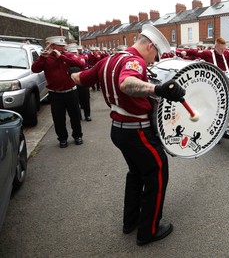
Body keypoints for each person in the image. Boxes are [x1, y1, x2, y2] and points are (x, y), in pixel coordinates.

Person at [71, 25, 185, 246]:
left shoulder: (108, 61)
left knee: (135, 173)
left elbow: (80, 78)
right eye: (155, 54)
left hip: (118, 129)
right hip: (138, 131)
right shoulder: (135, 61)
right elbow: (126, 83)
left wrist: (71, 73)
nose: (153, 61)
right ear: (150, 46)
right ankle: (148, 231)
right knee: (157, 172)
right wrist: (158, 89)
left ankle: (130, 221)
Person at [179, 37, 229, 139]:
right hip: (213, 87)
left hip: (225, 85)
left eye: (224, 48)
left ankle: (224, 131)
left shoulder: (226, 53)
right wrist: (184, 52)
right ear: (215, 47)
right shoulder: (209, 54)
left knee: (226, 109)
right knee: (214, 110)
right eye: (220, 49)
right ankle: (215, 133)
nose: (222, 51)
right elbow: (196, 52)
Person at [32, 36, 85, 148]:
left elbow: (81, 64)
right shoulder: (45, 57)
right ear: (52, 46)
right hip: (55, 93)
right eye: (60, 45)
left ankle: (77, 136)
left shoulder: (68, 55)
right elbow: (35, 69)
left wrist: (62, 57)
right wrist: (42, 58)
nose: (63, 47)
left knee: (75, 116)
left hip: (71, 91)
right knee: (58, 118)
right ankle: (62, 138)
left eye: (63, 45)